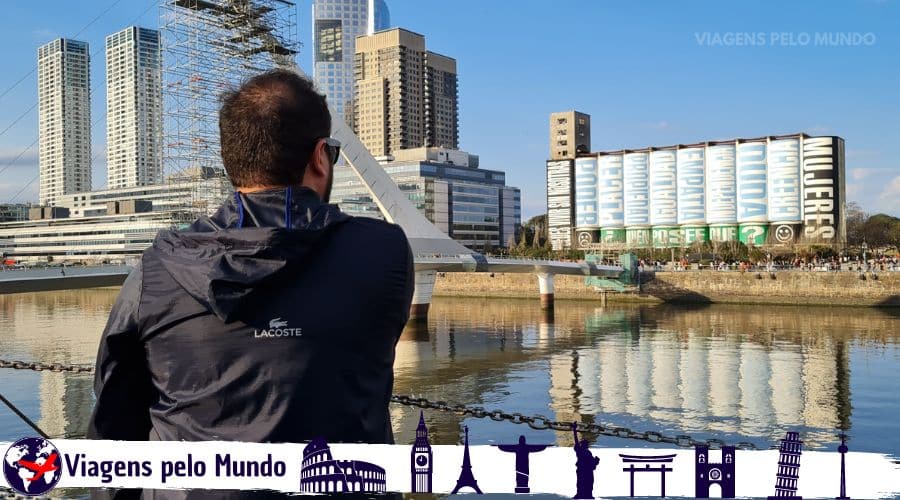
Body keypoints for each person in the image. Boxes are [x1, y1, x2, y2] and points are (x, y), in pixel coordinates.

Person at [88, 70, 414, 450]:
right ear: (321, 157)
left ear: (232, 161)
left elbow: (114, 417)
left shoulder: (158, 269)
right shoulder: (383, 252)